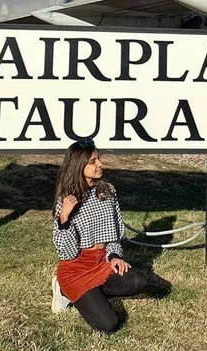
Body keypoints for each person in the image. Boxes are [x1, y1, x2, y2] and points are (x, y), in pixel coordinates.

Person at [51, 138, 147, 333]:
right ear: (79, 165)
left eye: (99, 159)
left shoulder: (107, 191)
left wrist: (114, 256)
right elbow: (66, 253)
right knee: (109, 325)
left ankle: (93, 295)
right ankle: (63, 290)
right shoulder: (67, 200)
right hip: (76, 268)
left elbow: (116, 231)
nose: (100, 164)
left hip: (102, 262)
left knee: (139, 281)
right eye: (93, 161)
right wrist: (64, 219)